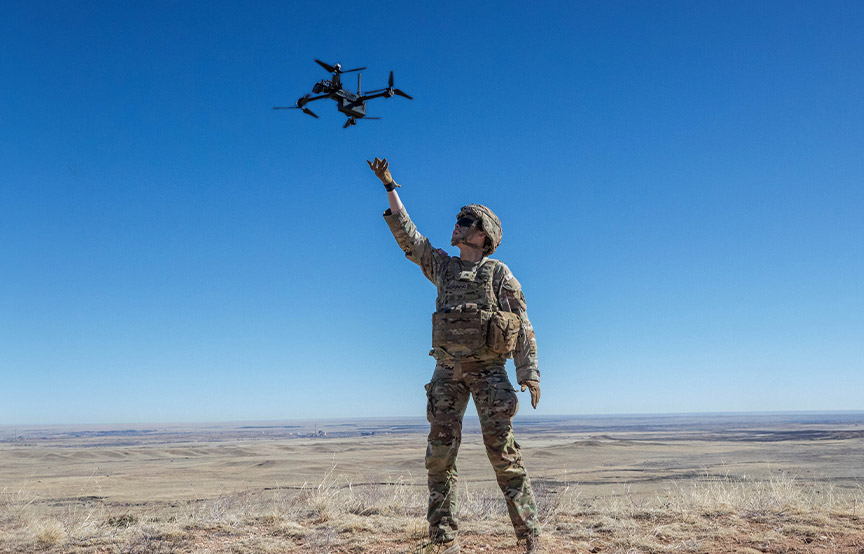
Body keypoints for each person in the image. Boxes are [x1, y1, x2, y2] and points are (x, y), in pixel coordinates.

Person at [368, 157, 543, 554]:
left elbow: (524, 325)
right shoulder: (442, 269)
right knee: (439, 458)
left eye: (466, 222)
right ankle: (441, 539)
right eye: (459, 220)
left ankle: (528, 537)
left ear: (482, 235)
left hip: (489, 372)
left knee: (504, 456)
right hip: (447, 372)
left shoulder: (499, 274)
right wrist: (390, 187)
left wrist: (528, 373)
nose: (457, 225)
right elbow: (411, 240)